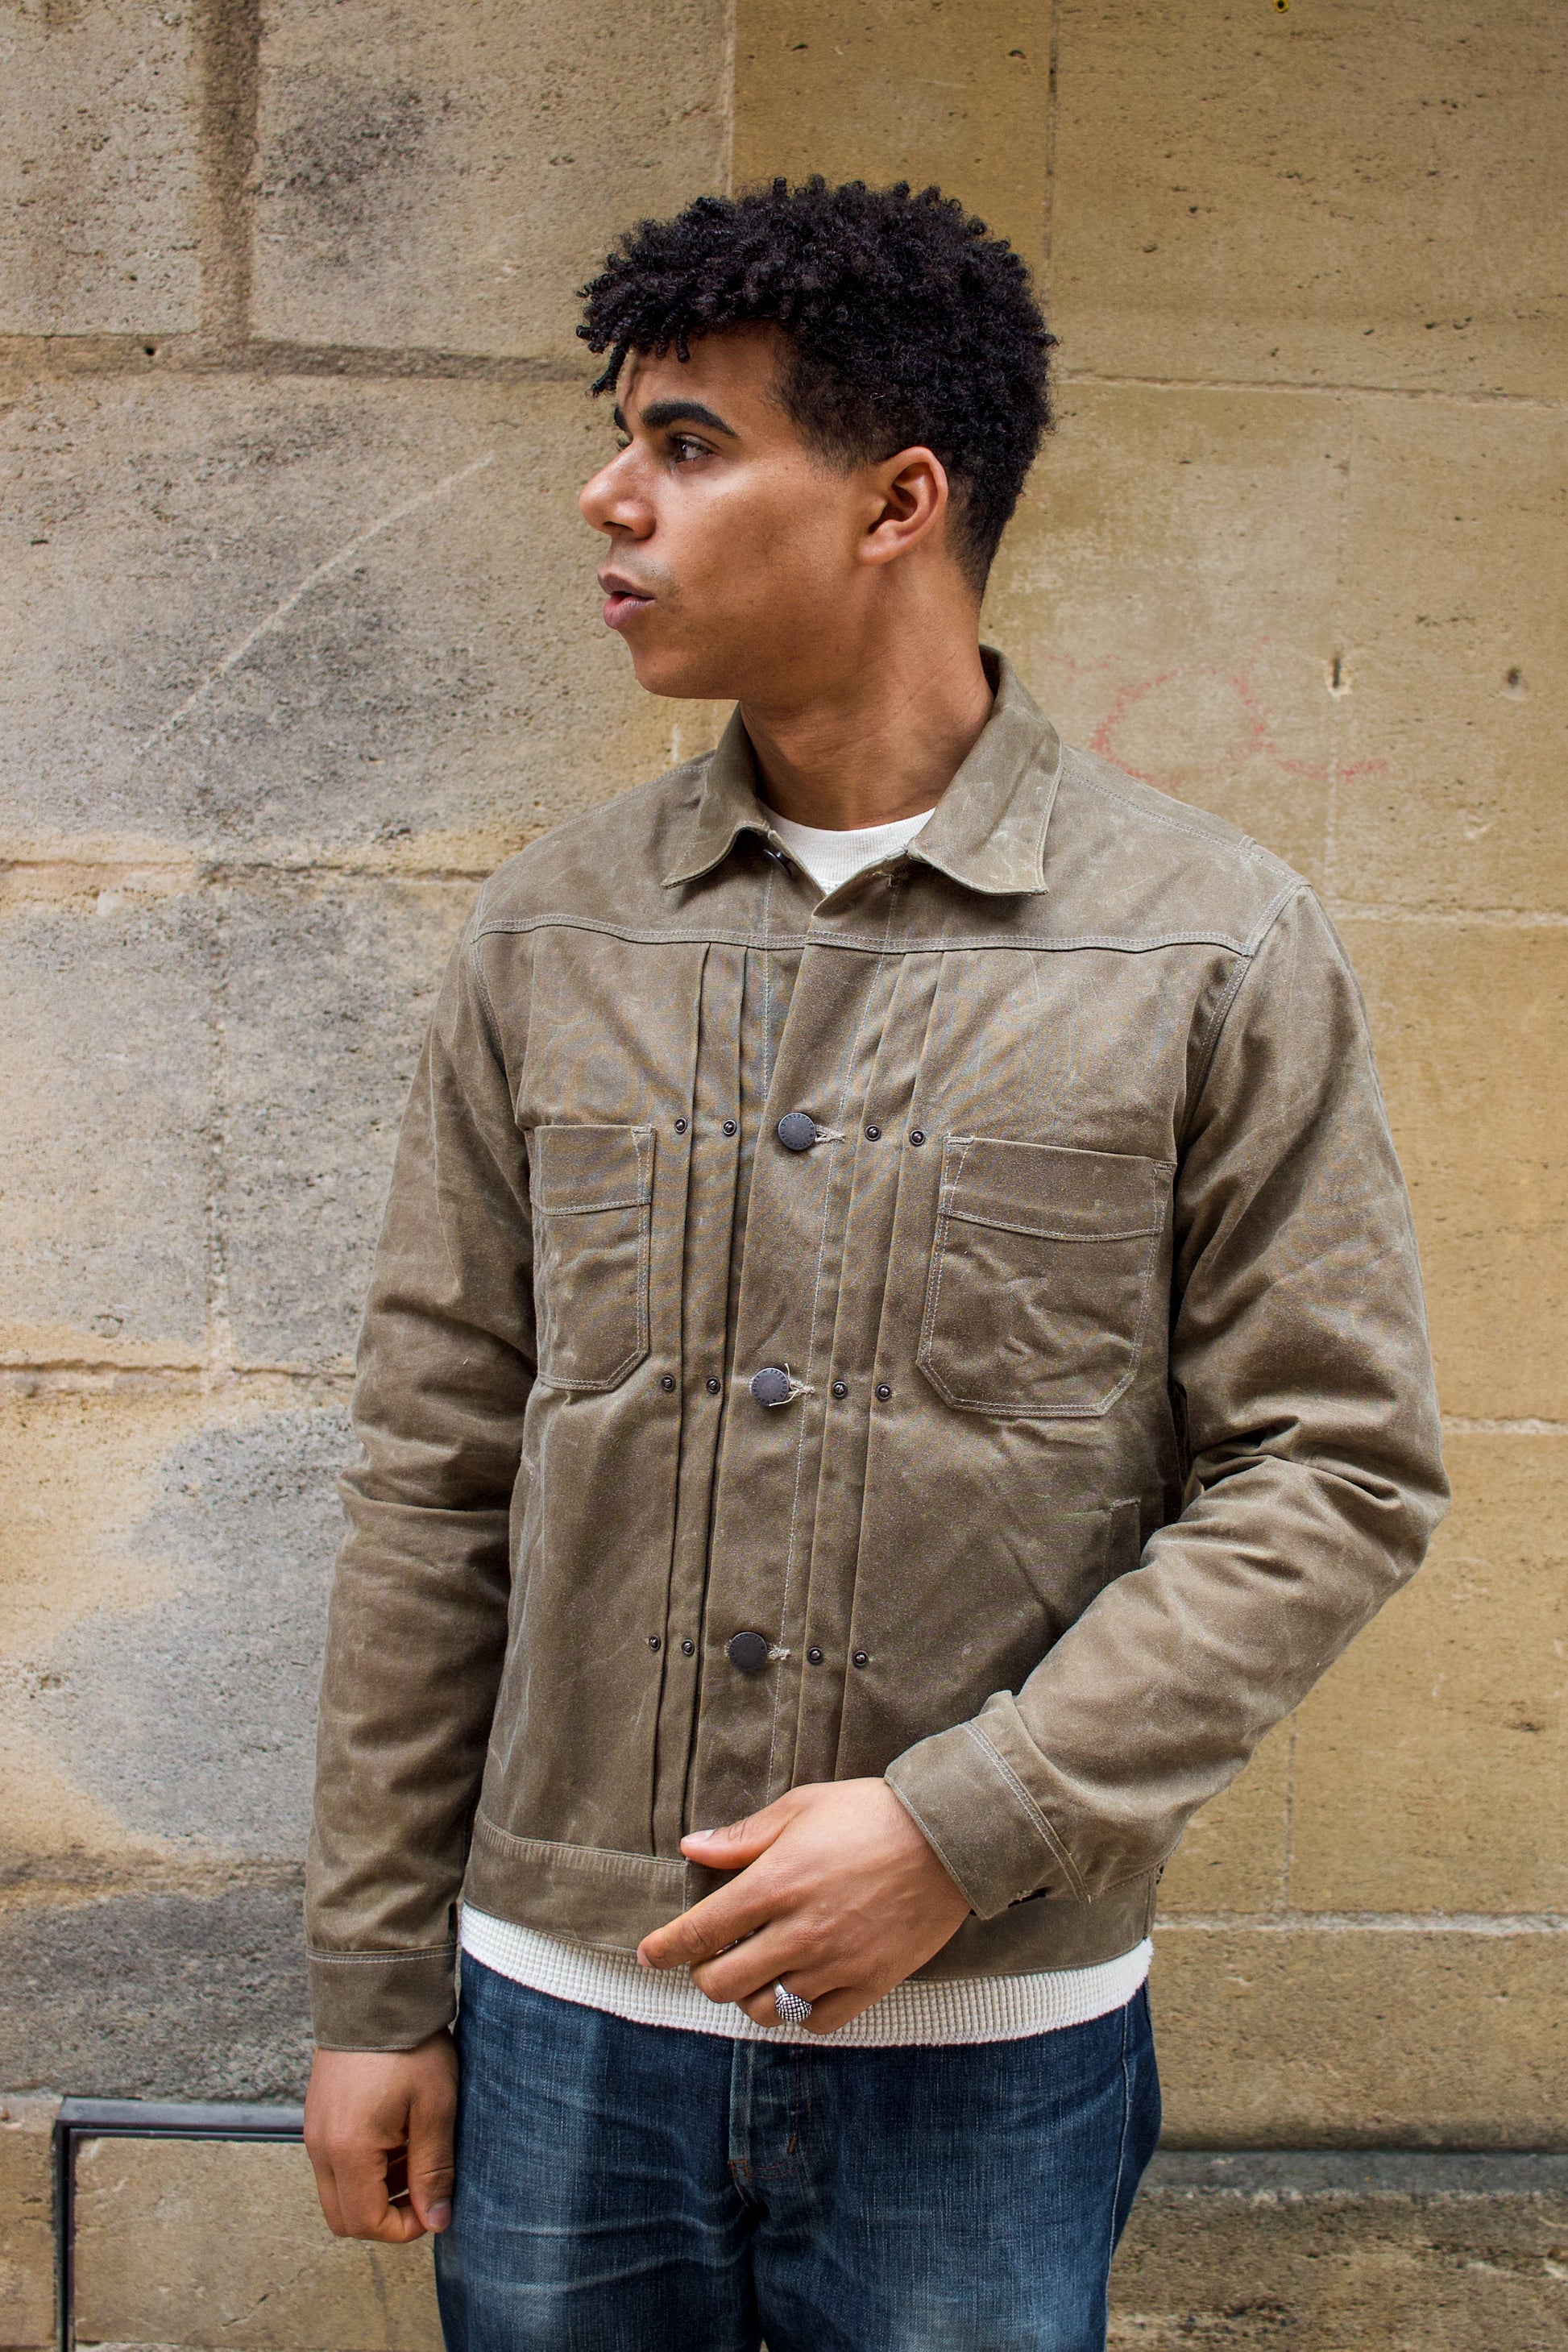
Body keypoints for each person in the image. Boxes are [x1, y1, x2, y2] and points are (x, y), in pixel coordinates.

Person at [301, 177, 1447, 2351]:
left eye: (685, 443)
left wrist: (962, 1822)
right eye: (625, 440)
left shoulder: (1208, 946)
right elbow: (434, 1480)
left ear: (897, 501)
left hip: (985, 2052)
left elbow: (1332, 1470)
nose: (608, 498)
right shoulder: (552, 935)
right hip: (562, 2033)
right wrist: (374, 1984)